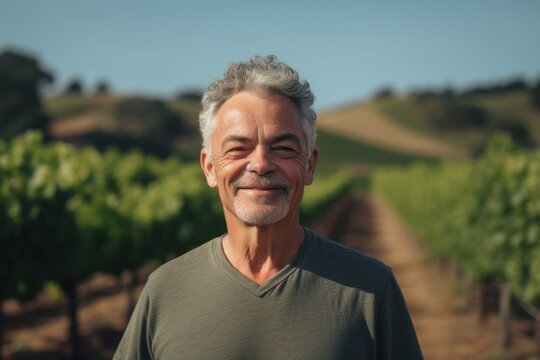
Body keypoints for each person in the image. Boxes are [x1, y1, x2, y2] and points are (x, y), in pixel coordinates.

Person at [113, 55, 423, 360]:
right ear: (209, 168)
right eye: (238, 148)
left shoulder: (371, 288)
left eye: (283, 148)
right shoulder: (165, 290)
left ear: (310, 165)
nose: (260, 164)